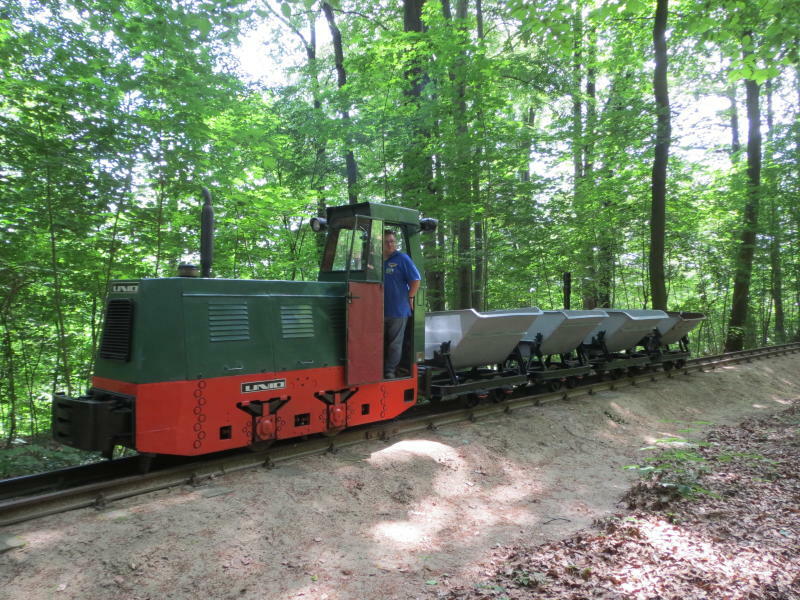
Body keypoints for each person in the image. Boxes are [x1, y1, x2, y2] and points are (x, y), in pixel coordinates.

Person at [383, 229, 420, 379]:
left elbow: (416, 280)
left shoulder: (402, 259)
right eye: (386, 242)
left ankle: (390, 370)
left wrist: (410, 297)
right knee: (377, 341)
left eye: (392, 241)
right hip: (376, 309)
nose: (390, 244)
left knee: (395, 344)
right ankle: (377, 368)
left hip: (398, 310)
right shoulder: (375, 260)